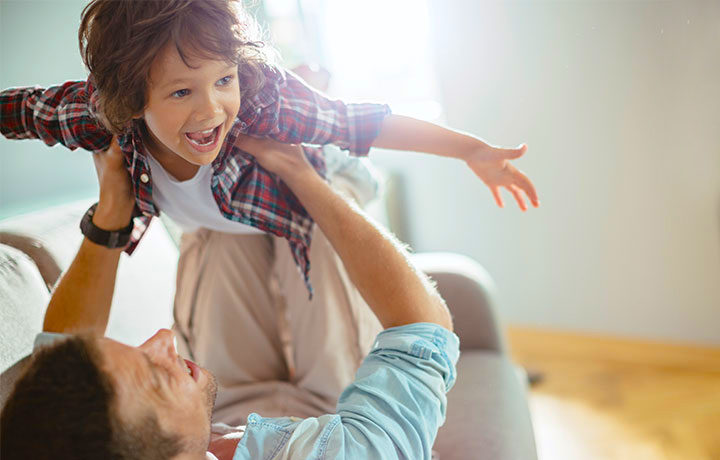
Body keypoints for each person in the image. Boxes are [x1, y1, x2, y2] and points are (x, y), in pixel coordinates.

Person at [0, 0, 537, 439]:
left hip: (308, 187)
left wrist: (470, 150)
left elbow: (362, 122)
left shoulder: (262, 100)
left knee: (332, 345)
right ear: (130, 101)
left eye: (223, 80)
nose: (211, 109)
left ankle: (311, 81)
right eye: (182, 91)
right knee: (221, 310)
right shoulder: (99, 117)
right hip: (224, 224)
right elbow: (23, 111)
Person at [1, 136, 459, 460]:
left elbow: (57, 349)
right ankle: (322, 165)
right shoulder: (358, 453)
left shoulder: (46, 440)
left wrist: (113, 210)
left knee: (221, 214)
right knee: (314, 216)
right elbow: (423, 328)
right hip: (341, 407)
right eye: (155, 377)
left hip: (232, 406)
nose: (164, 338)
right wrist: (300, 173)